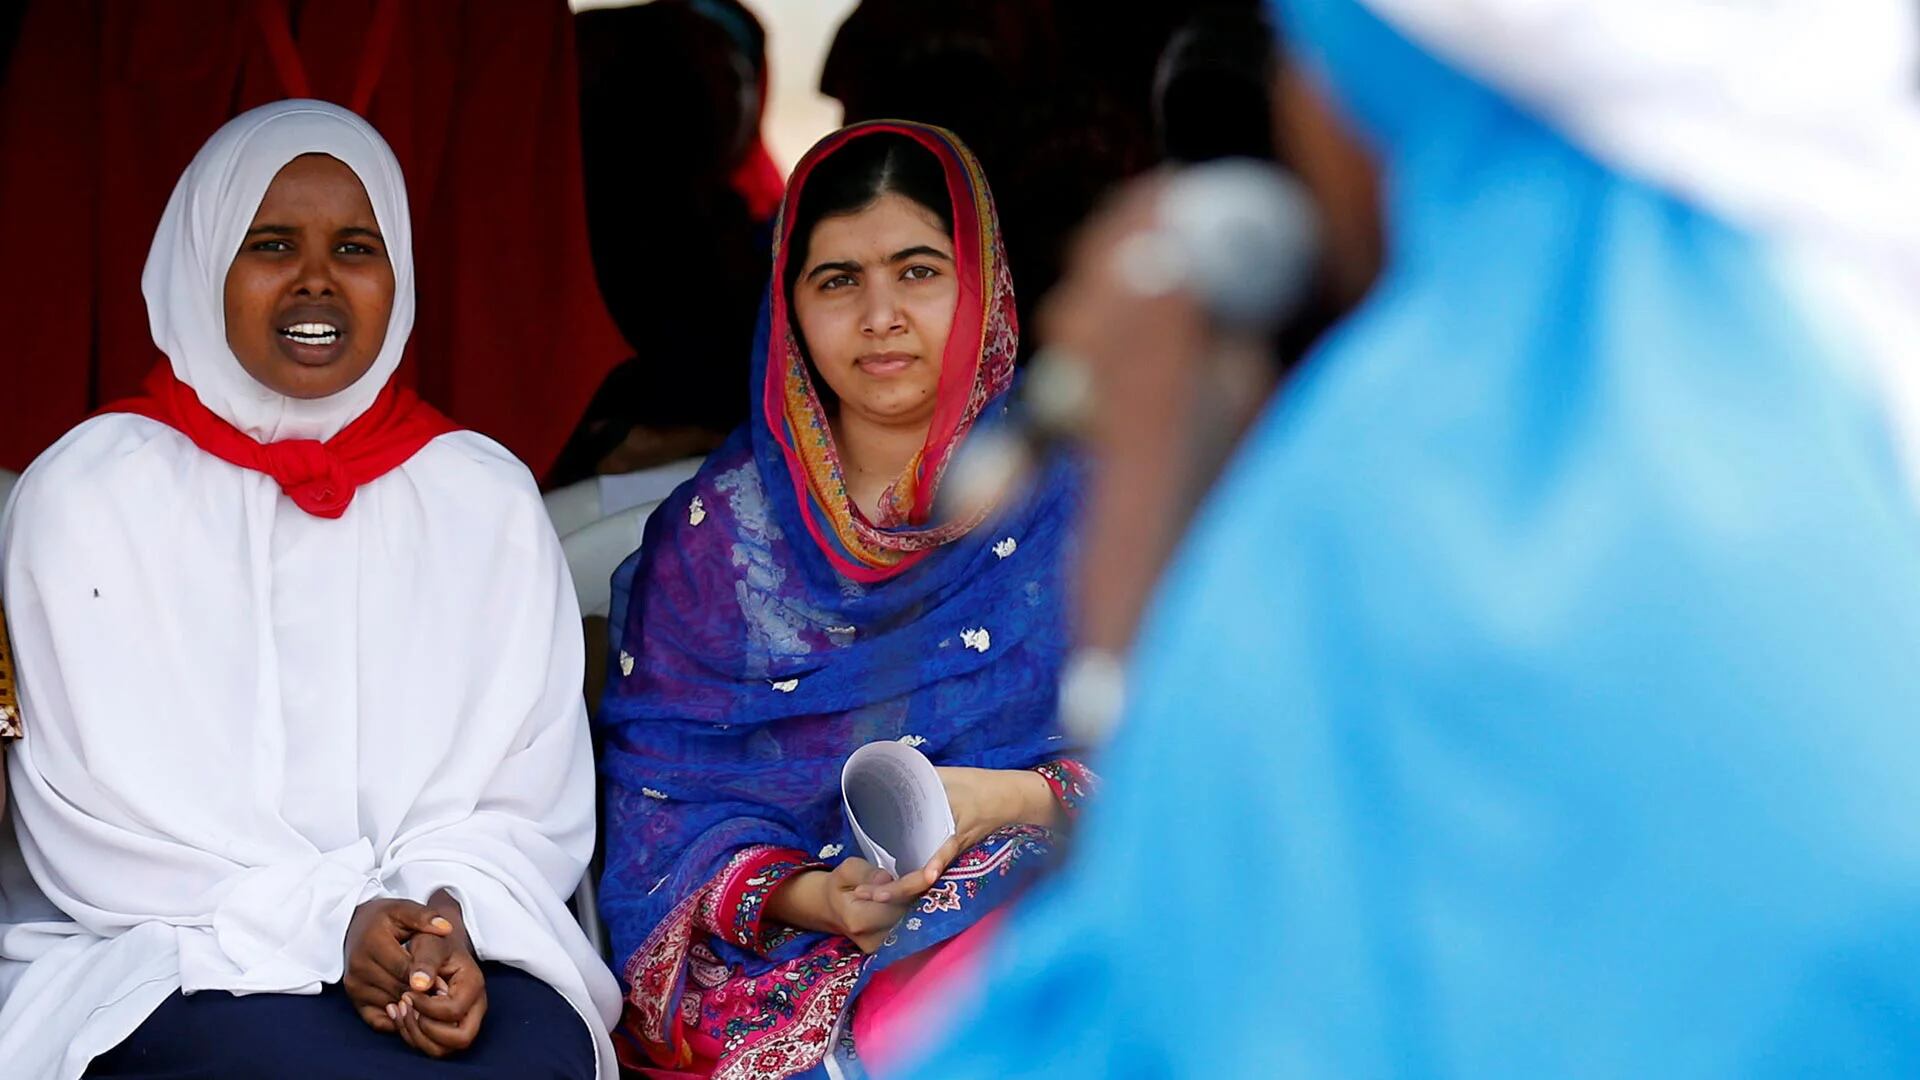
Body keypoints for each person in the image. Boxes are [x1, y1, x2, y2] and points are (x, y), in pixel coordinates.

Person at [901, 0, 1920, 1076]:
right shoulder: (1850, 390)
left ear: (1384, 81)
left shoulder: (1394, 483)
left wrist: (1134, 601)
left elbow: (1138, 1013)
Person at [0, 100, 620, 1079]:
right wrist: (332, 921)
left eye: (357, 247)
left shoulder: (481, 497)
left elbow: (525, 794)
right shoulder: (87, 495)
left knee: (530, 1058)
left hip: (448, 936)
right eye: (272, 244)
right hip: (174, 948)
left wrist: (444, 922)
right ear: (201, 262)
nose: (317, 281)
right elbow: (94, 823)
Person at [595, 121, 1094, 1080]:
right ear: (788, 306)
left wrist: (1004, 801)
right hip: (801, 952)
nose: (880, 316)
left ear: (980, 283)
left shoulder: (1084, 498)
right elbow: (662, 806)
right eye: (838, 281)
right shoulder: (717, 543)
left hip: (1050, 910)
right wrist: (815, 897)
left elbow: (1191, 750)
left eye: (917, 271)